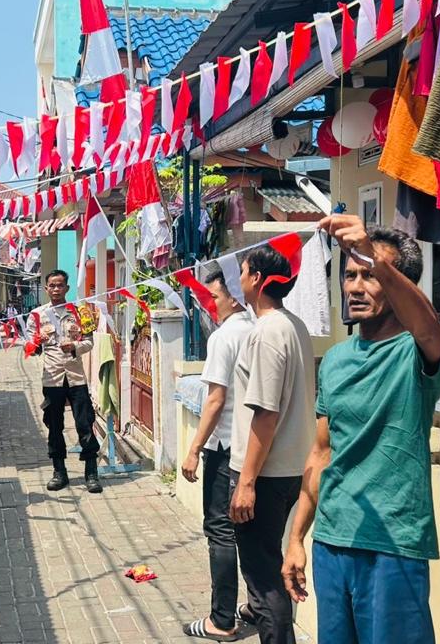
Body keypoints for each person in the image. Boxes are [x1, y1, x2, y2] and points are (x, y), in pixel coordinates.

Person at [283, 218, 440, 644]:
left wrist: (371, 253)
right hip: (332, 541)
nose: (356, 287)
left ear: (397, 282)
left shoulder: (422, 349)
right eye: (350, 274)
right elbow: (322, 454)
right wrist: (296, 538)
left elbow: (427, 325)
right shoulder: (338, 360)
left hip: (393, 545)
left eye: (370, 275)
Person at [228, 245, 315, 644]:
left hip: (265, 473)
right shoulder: (295, 325)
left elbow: (265, 413)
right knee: (270, 571)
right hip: (289, 470)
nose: (239, 279)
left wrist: (246, 482)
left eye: (244, 271)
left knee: (264, 581)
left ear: (258, 280)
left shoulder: (267, 331)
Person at [180, 268, 255, 642]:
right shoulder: (260, 328)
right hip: (256, 448)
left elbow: (215, 399)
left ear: (234, 295)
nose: (210, 305)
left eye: (214, 297)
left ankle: (222, 620)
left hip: (225, 448)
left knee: (221, 532)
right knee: (252, 534)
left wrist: (194, 449)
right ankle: (256, 607)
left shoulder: (225, 337)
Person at [25, 270, 100, 494]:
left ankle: (91, 473)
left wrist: (75, 347)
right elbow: (29, 347)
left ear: (67, 288)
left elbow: (89, 342)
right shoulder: (37, 315)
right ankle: (59, 472)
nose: (56, 289)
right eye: (52, 285)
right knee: (54, 425)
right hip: (52, 378)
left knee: (84, 424)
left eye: (60, 285)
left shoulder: (79, 312)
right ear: (46, 288)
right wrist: (38, 342)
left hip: (76, 378)